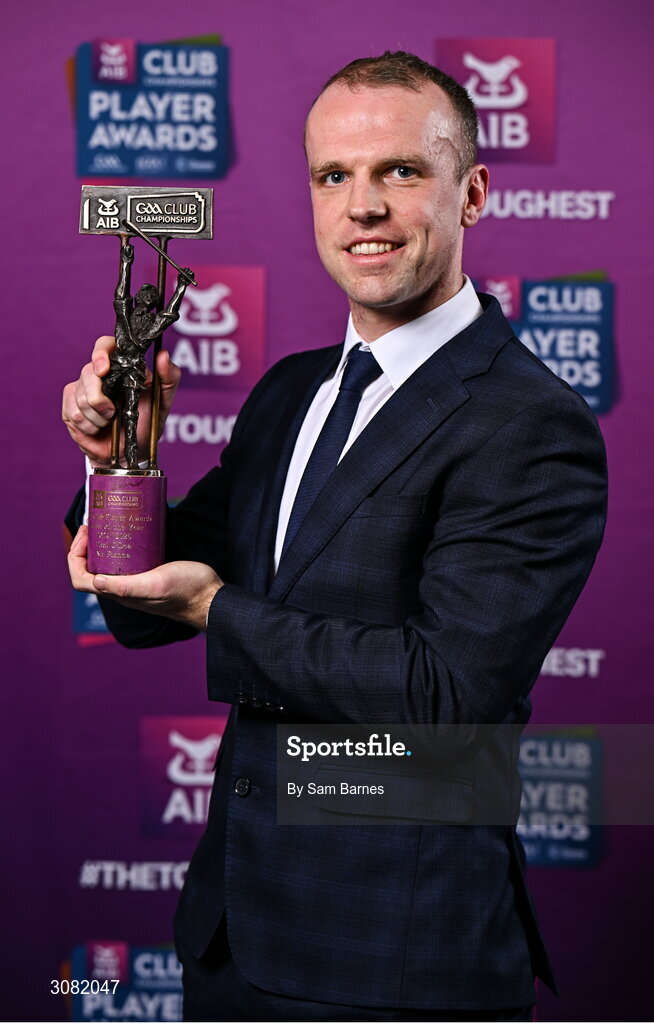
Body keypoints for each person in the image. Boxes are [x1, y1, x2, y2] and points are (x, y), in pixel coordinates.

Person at [63, 52, 607, 1022]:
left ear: (472, 191)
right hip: (232, 933)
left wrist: (216, 609)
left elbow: (447, 691)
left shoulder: (530, 421)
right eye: (334, 176)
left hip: (392, 959)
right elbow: (141, 609)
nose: (363, 206)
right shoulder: (290, 391)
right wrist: (123, 463)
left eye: (400, 170)